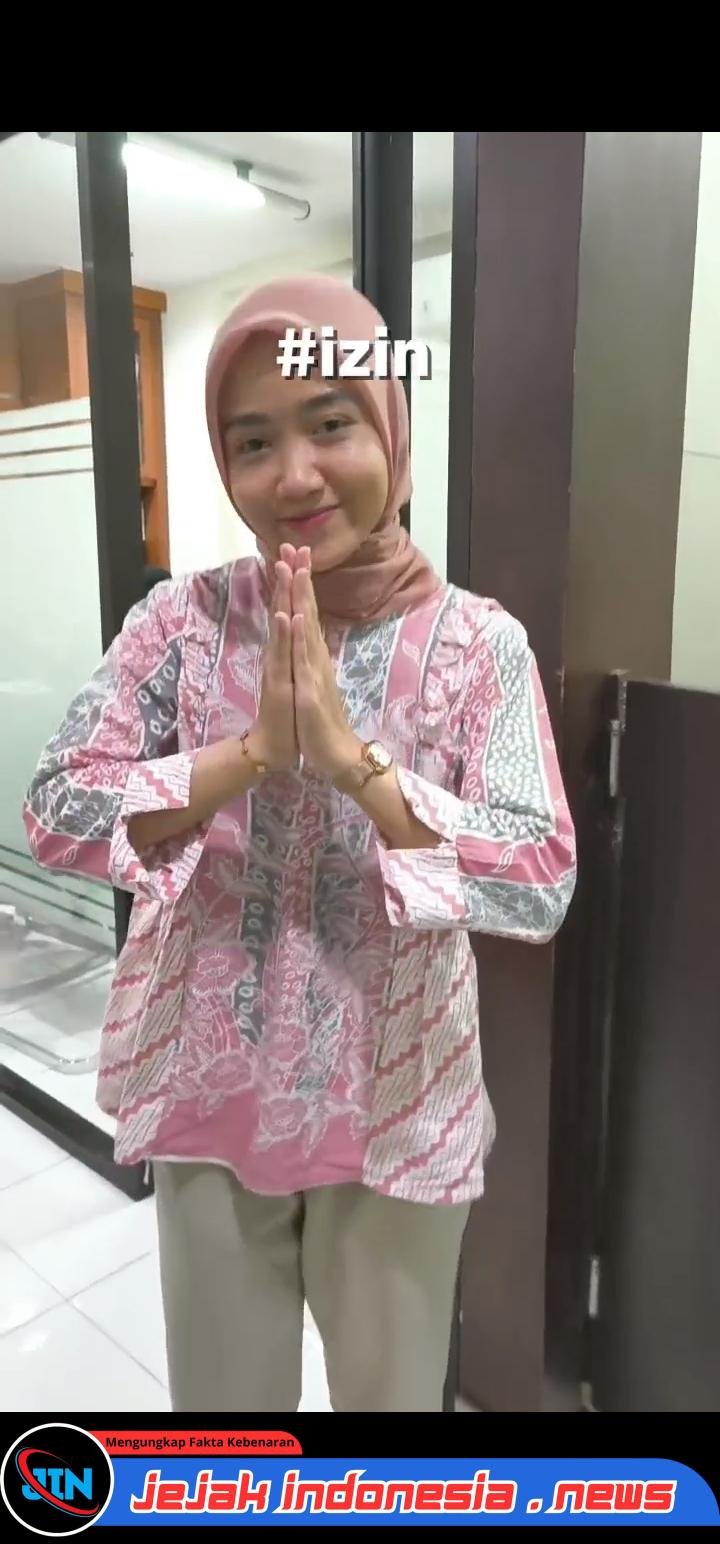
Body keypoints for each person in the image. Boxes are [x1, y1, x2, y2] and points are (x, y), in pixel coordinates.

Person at [22, 274, 576, 1413]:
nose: (294, 475)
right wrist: (249, 754)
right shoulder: (182, 624)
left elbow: (538, 877)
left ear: (391, 433)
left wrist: (350, 760)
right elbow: (57, 803)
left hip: (397, 1112)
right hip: (208, 1102)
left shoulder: (481, 645)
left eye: (331, 423)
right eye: (252, 441)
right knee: (228, 1433)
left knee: (387, 1422)